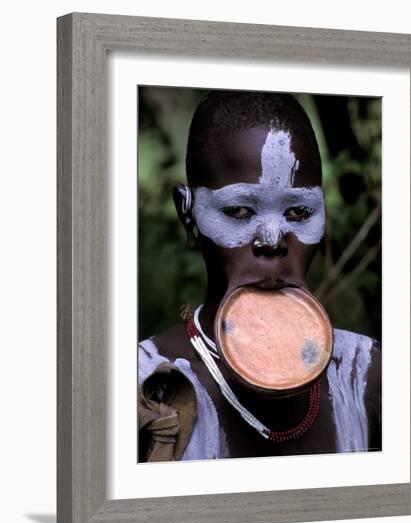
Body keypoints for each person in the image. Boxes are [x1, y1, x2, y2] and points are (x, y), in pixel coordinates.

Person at [138, 90, 381, 462]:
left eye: (299, 212)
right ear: (188, 215)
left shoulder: (368, 375)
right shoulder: (144, 382)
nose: (271, 240)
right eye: (238, 210)